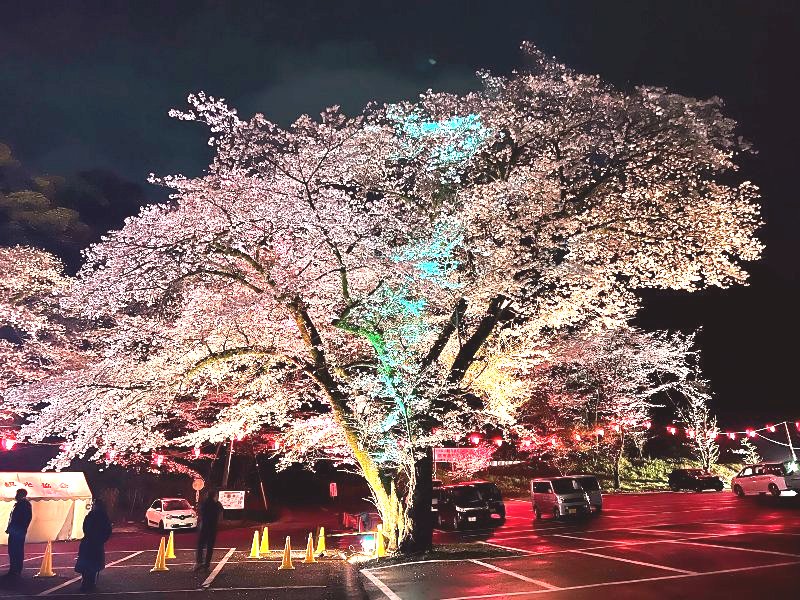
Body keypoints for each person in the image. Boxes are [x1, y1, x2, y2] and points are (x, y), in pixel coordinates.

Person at [75, 498, 112, 592]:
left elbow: (85, 528)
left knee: (87, 565)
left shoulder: (92, 516)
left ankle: (86, 584)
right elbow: (108, 531)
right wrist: (101, 540)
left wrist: (93, 537)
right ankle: (90, 584)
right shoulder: (104, 517)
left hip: (90, 543)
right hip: (95, 544)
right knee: (93, 566)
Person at [4, 489, 32, 578]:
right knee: (12, 551)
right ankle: (13, 569)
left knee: (16, 551)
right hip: (15, 530)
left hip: (18, 531)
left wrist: (20, 529)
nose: (16, 495)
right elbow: (13, 518)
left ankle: (16, 570)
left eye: (17, 493)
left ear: (21, 494)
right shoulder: (20, 503)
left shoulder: (24, 504)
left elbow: (26, 519)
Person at [194, 489, 223, 571]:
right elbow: (221, 512)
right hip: (212, 528)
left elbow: (200, 512)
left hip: (204, 527)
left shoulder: (204, 503)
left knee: (200, 545)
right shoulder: (217, 504)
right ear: (214, 496)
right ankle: (206, 565)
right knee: (210, 547)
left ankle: (199, 562)